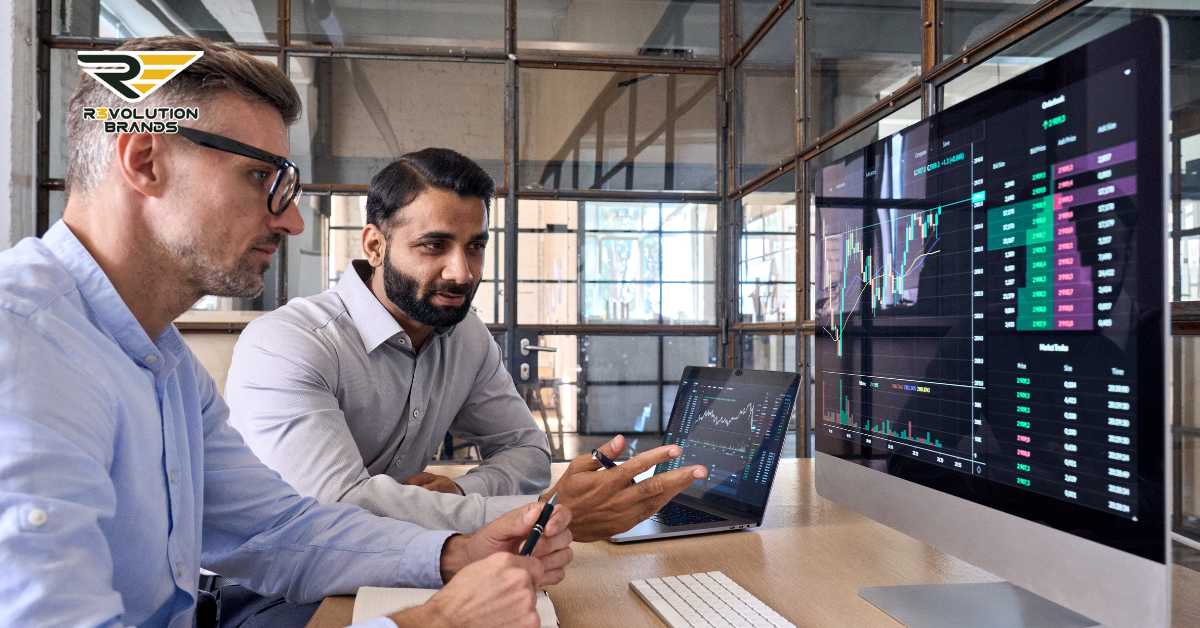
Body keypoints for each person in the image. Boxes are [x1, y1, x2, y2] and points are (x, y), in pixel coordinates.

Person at [0, 36, 572, 628]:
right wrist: (435, 622)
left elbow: (275, 531)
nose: (292, 219)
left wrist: (457, 551)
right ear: (145, 161)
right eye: (258, 177)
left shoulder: (163, 363)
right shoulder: (22, 345)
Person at [226, 149, 709, 541]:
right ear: (374, 245)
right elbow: (336, 507)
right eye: (434, 246)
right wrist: (546, 512)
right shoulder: (288, 344)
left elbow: (526, 451)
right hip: (274, 587)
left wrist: (460, 489)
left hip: (399, 561)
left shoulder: (465, 334)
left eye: (475, 246)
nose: (463, 272)